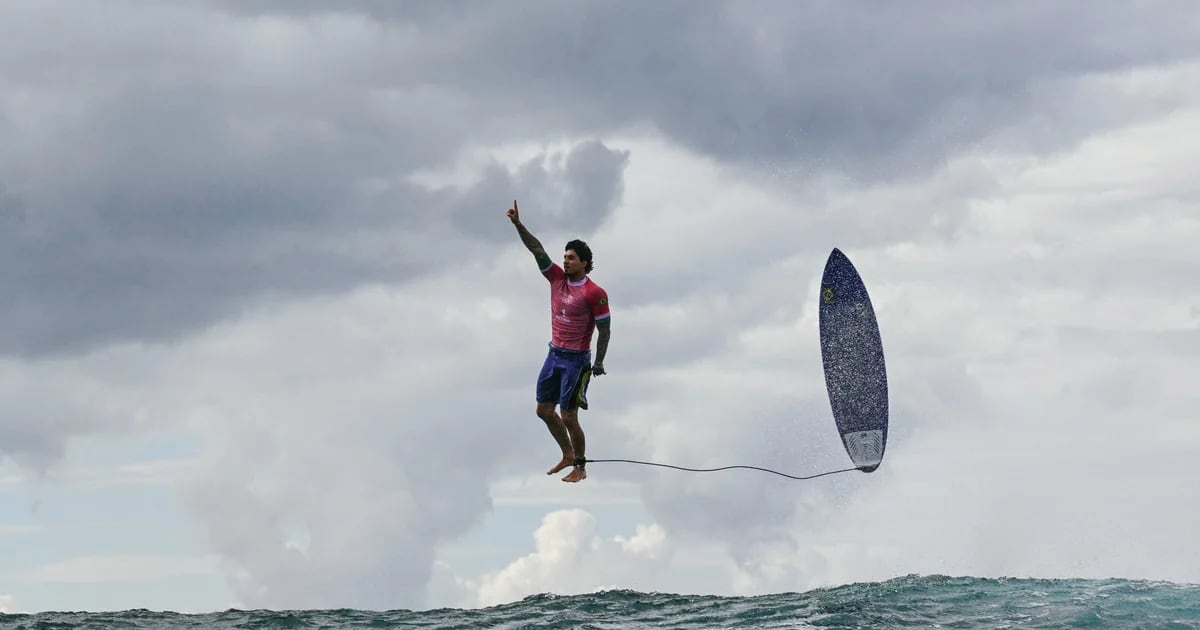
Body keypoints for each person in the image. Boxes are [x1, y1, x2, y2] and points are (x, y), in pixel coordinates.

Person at [507, 199, 610, 483]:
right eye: (565, 257)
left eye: (571, 258)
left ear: (585, 263)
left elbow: (605, 330)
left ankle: (580, 466)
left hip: (577, 360)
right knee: (543, 410)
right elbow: (537, 249)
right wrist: (518, 224)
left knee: (568, 416)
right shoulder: (556, 279)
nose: (565, 261)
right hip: (554, 354)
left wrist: (599, 362)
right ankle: (566, 454)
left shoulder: (594, 292)